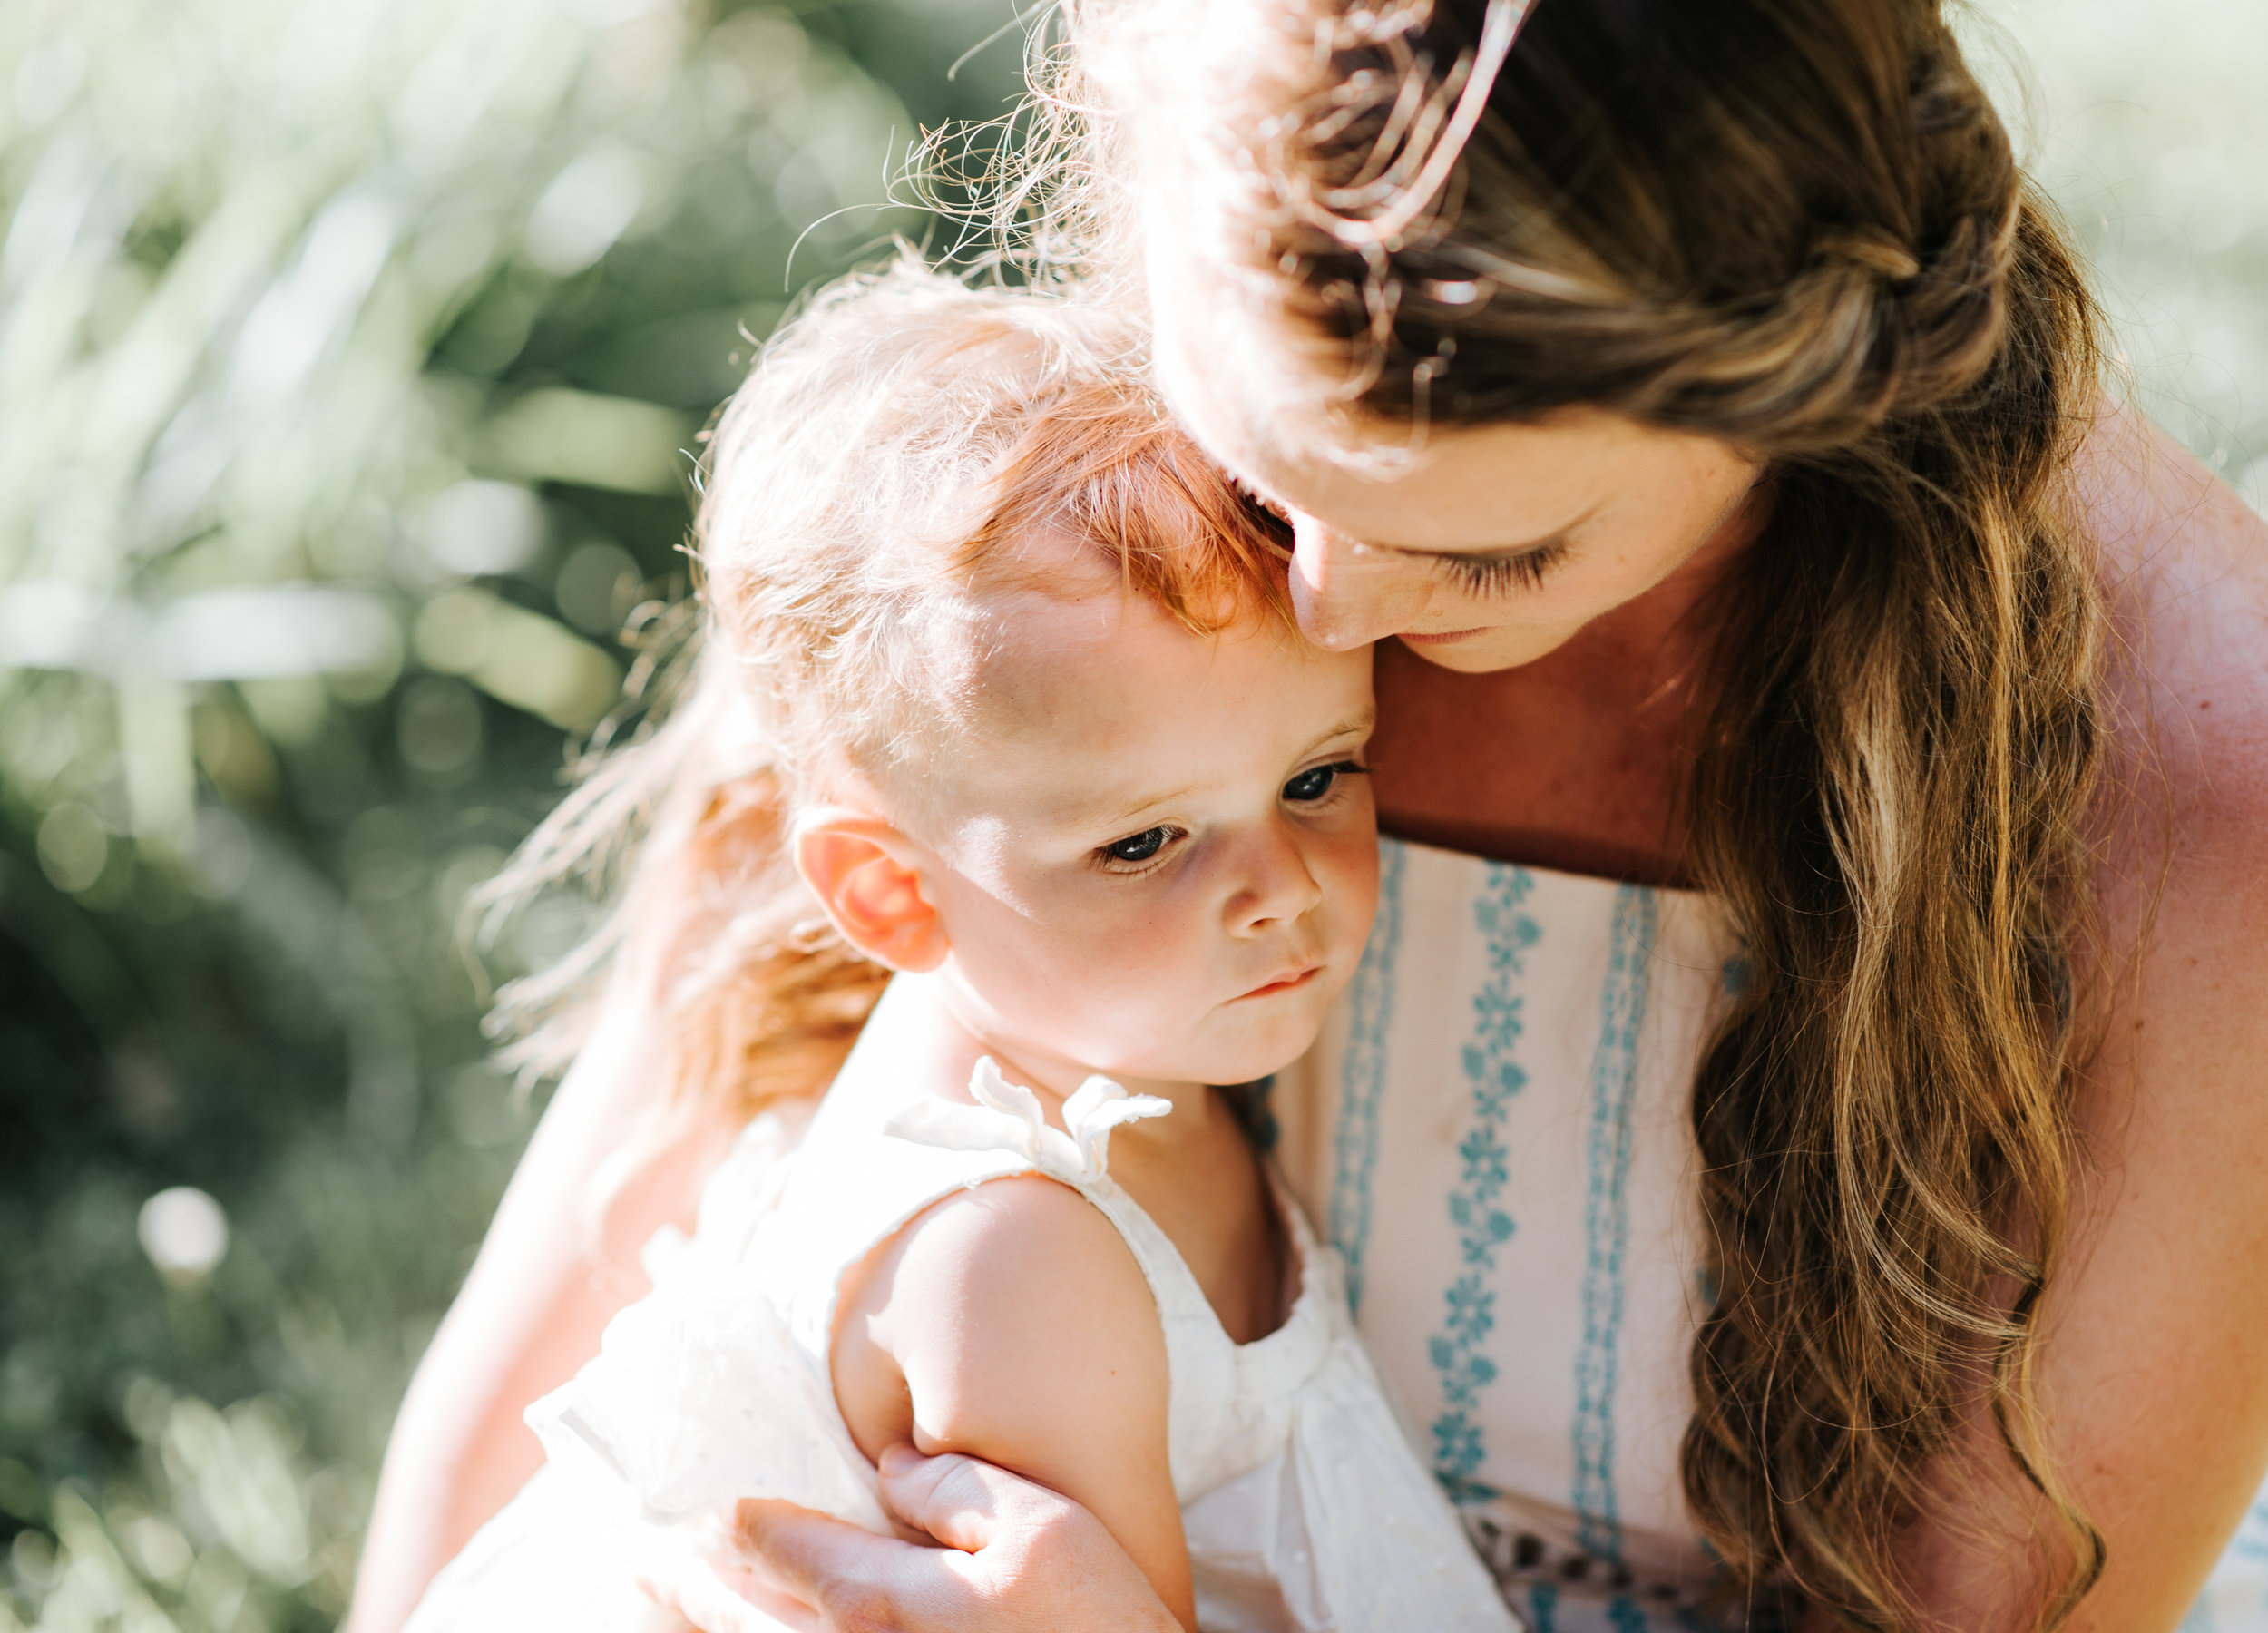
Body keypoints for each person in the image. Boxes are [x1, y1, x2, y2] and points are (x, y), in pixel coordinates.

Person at [351, 0, 2268, 1628]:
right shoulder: (1033, 552)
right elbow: (568, 1365)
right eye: (1268, 479)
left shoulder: (2194, 779)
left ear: (1802, 386)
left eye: (1496, 551)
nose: (1331, 614)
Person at [391, 261, 1520, 1633]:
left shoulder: (1098, 1056)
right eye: (1144, 844)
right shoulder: (1014, 1257)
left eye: (1316, 777)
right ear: (889, 894)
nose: (1280, 889)